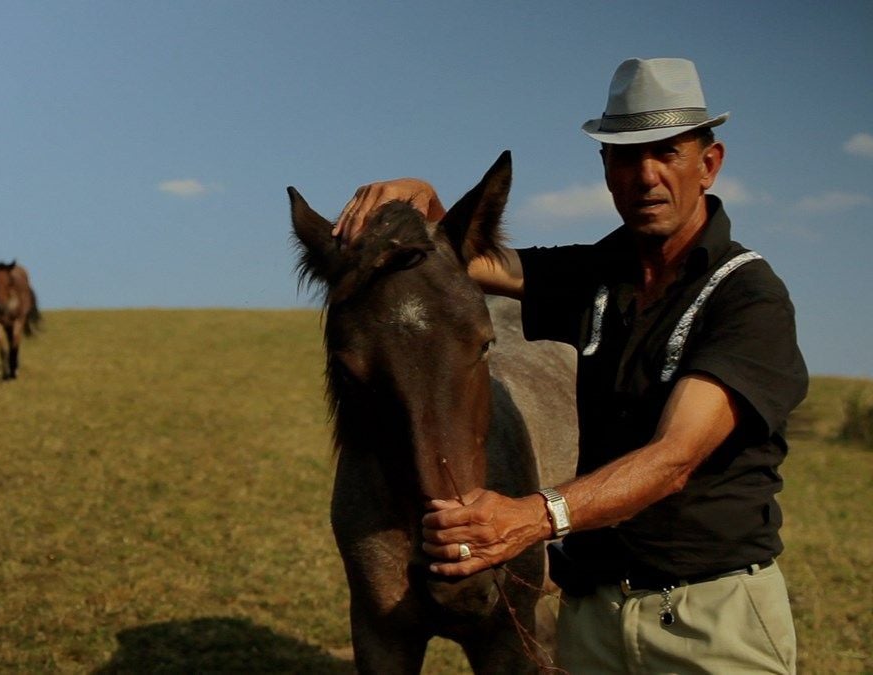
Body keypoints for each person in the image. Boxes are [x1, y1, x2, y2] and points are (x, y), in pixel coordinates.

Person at [334, 57, 808, 674]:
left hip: (706, 616)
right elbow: (455, 268)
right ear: (605, 170)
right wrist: (420, 199)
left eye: (667, 153)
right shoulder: (595, 276)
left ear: (709, 164)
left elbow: (676, 457)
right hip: (594, 616)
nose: (647, 177)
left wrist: (534, 515)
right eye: (626, 157)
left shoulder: (747, 297)